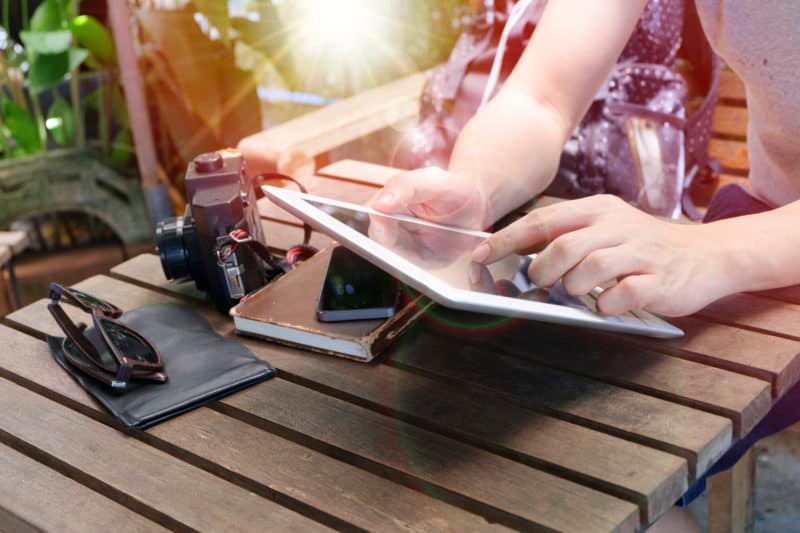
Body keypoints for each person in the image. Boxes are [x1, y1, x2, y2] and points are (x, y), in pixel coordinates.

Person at [371, 0, 799, 530]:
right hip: (763, 222)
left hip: (759, 246)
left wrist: (713, 251)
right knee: (553, 448)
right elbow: (541, 97)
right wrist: (477, 186)